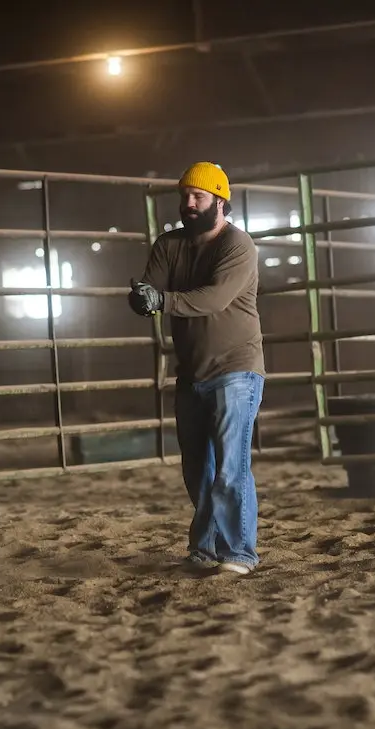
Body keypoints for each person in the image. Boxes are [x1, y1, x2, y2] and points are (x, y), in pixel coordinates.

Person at [127, 161, 265, 575]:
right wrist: (141, 298)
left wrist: (161, 301)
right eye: (184, 195)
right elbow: (148, 289)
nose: (188, 203)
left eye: (198, 196)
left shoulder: (238, 247)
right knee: (197, 468)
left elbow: (213, 298)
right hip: (191, 371)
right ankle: (205, 548)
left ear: (219, 201)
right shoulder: (168, 245)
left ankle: (240, 552)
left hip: (236, 367)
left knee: (229, 465)